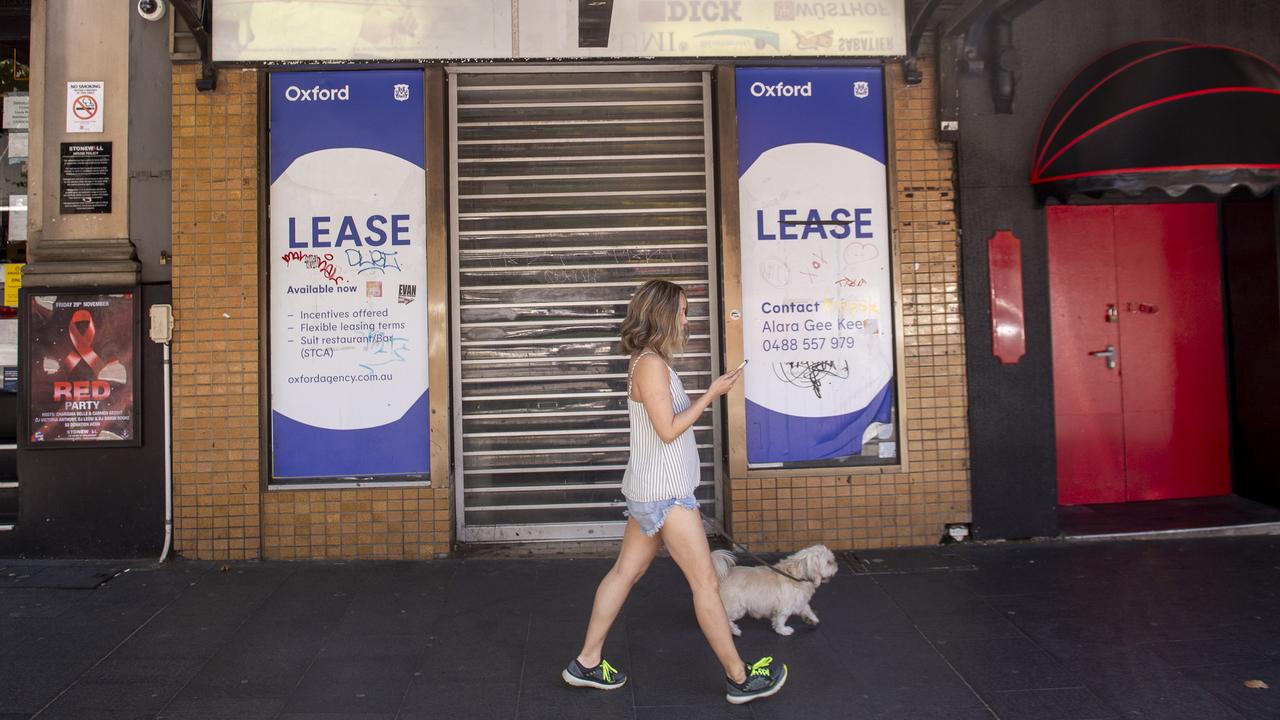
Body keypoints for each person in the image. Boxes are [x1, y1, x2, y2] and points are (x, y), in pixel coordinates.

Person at [562, 279, 788, 705]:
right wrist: (712, 395)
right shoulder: (650, 365)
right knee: (705, 585)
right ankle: (740, 679)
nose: (687, 320)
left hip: (654, 491)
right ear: (663, 314)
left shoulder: (649, 362)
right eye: (683, 311)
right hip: (667, 497)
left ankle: (586, 663)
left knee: (625, 573)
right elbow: (667, 431)